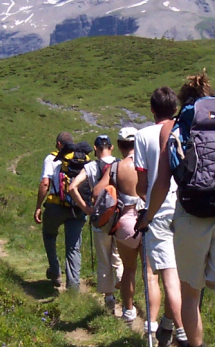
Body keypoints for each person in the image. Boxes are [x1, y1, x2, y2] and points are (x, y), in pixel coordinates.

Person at [137, 71, 215, 347]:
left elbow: (163, 185)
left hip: (192, 214)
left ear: (183, 100)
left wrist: (148, 216)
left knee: (190, 294)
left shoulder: (178, 127)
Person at [134, 87, 188, 347]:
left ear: (152, 109)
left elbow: (142, 184)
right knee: (184, 278)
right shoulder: (185, 128)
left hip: (159, 210)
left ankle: (181, 336)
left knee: (163, 275)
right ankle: (174, 328)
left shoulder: (143, 136)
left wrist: (146, 203)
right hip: (189, 208)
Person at [68, 135, 123, 313]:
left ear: (95, 148)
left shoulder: (90, 166)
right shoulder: (120, 164)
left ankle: (109, 298)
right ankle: (125, 289)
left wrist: (87, 209)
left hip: (100, 220)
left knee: (104, 260)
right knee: (119, 257)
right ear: (111, 147)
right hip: (120, 217)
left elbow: (72, 187)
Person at [93, 127, 142, 324]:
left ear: (119, 146)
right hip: (149, 220)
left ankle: (129, 312)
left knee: (129, 269)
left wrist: (112, 189)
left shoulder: (115, 168)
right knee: (151, 276)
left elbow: (97, 192)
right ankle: (155, 323)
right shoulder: (147, 164)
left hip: (126, 223)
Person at [33, 131, 87, 291]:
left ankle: (55, 272)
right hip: (77, 207)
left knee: (49, 235)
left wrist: (38, 206)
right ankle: (74, 287)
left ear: (58, 144)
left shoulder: (51, 158)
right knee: (73, 247)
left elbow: (45, 184)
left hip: (56, 205)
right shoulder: (80, 159)